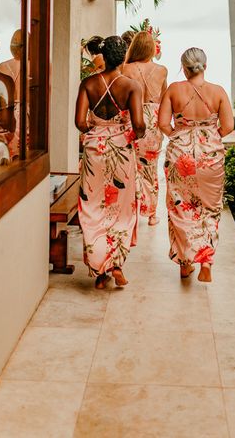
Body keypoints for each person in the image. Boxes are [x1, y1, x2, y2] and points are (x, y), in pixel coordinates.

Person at [75, 35, 145, 289]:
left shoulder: (88, 83)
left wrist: (98, 128)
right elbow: (139, 125)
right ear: (124, 57)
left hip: (95, 150)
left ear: (103, 57)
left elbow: (80, 123)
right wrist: (128, 132)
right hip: (121, 150)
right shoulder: (131, 86)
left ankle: (100, 271)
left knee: (94, 206)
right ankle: (116, 265)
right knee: (121, 207)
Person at [158, 47, 234, 282]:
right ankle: (206, 261)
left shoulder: (174, 89)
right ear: (205, 66)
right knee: (210, 208)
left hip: (180, 154)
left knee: (181, 207)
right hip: (210, 154)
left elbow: (162, 123)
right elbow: (228, 126)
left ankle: (185, 263)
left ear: (183, 67)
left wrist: (180, 134)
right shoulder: (218, 92)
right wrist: (210, 136)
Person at [123, 31, 167, 225]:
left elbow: (122, 96)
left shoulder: (126, 68)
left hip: (133, 117)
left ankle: (131, 208)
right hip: (154, 120)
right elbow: (165, 99)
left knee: (130, 165)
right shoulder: (162, 70)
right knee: (150, 166)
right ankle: (151, 214)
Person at [0, 29, 23, 156]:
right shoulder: (34, 65)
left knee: (9, 151)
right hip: (27, 112)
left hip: (9, 110)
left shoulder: (2, 66)